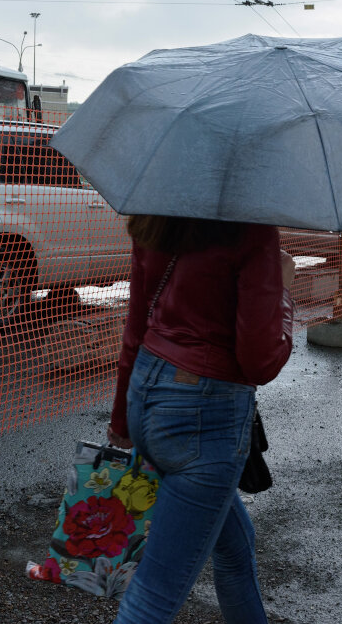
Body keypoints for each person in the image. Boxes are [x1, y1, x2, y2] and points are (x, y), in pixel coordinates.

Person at [108, 215, 295, 623]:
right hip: (203, 416)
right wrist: (283, 291)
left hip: (148, 392)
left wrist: (122, 419)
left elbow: (136, 325)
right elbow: (260, 361)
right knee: (152, 598)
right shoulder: (251, 227)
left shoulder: (156, 213)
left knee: (234, 546)